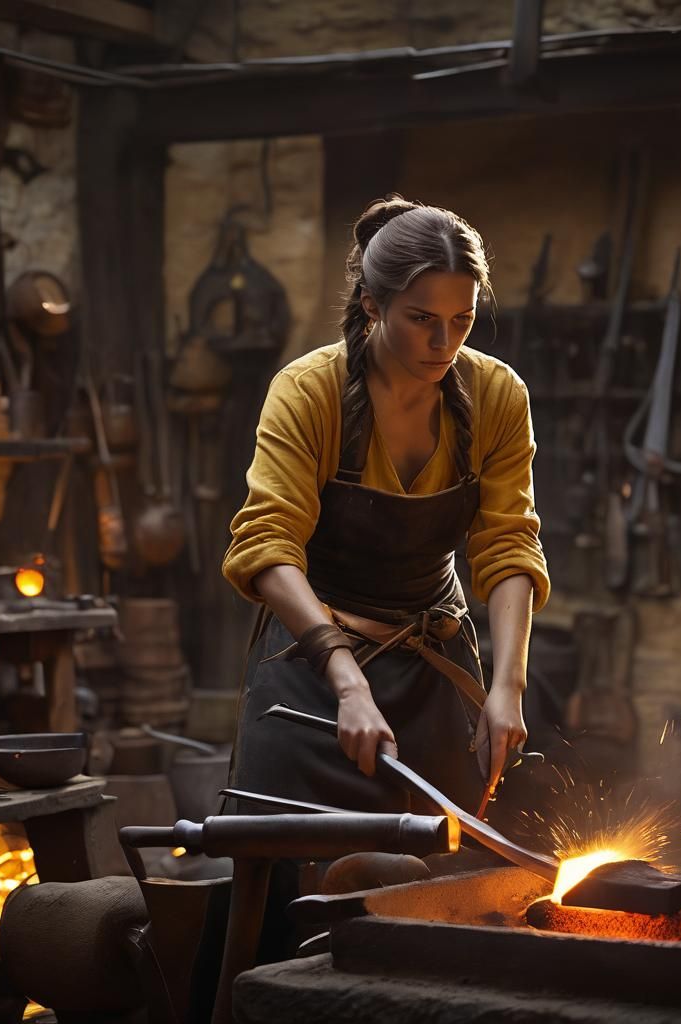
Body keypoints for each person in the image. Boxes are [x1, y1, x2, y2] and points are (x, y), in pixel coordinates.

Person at [222, 195, 550, 823]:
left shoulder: (497, 396)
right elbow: (266, 546)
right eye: (422, 318)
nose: (443, 342)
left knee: (437, 891)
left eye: (463, 320)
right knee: (287, 889)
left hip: (433, 670)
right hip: (310, 673)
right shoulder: (309, 390)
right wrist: (346, 682)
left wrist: (506, 688)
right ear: (372, 304)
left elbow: (509, 546)